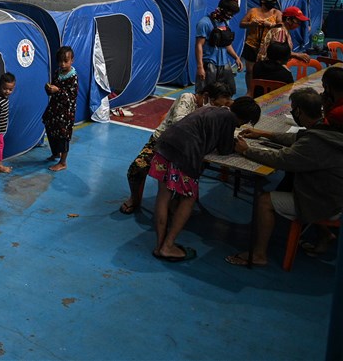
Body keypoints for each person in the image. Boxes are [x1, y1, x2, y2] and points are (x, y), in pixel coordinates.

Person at [226, 88, 343, 266]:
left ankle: (259, 255)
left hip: (325, 200)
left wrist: (247, 150)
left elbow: (282, 160)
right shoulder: (326, 127)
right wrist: (264, 134)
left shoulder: (314, 141)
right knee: (288, 181)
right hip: (334, 193)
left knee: (265, 201)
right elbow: (298, 137)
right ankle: (325, 234)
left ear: (298, 111)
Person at [149, 97, 262, 262]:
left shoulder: (215, 109)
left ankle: (159, 246)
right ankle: (168, 246)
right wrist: (239, 146)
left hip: (165, 144)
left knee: (163, 196)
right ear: (244, 119)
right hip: (185, 152)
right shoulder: (230, 119)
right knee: (189, 198)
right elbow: (224, 149)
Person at [119, 84, 233, 214]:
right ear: (206, 96)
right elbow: (179, 124)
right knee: (136, 168)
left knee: (191, 174)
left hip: (187, 151)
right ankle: (134, 198)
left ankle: (176, 201)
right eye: (215, 104)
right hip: (162, 144)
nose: (217, 109)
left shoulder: (216, 111)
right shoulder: (187, 99)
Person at [195, 0, 243, 96]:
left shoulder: (226, 22)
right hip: (209, 64)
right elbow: (199, 45)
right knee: (205, 93)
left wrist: (236, 57)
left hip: (224, 64)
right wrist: (200, 67)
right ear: (221, 10)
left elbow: (227, 44)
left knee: (229, 91)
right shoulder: (204, 23)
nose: (231, 17)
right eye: (230, 13)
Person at [239, 0, 283, 96]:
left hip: (268, 46)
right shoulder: (253, 11)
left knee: (266, 70)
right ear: (263, 0)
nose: (272, 3)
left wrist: (271, 25)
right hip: (252, 45)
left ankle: (265, 90)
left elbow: (282, 25)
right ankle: (250, 91)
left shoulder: (276, 13)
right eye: (270, 1)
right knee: (250, 70)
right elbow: (242, 24)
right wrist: (251, 24)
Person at [43, 46, 77, 172]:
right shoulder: (58, 73)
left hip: (65, 112)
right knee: (50, 127)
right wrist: (49, 89)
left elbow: (71, 97)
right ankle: (56, 153)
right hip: (54, 108)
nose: (62, 64)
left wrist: (58, 90)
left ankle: (63, 162)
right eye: (60, 61)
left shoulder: (73, 77)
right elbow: (52, 90)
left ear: (72, 60)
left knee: (63, 135)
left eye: (65, 61)